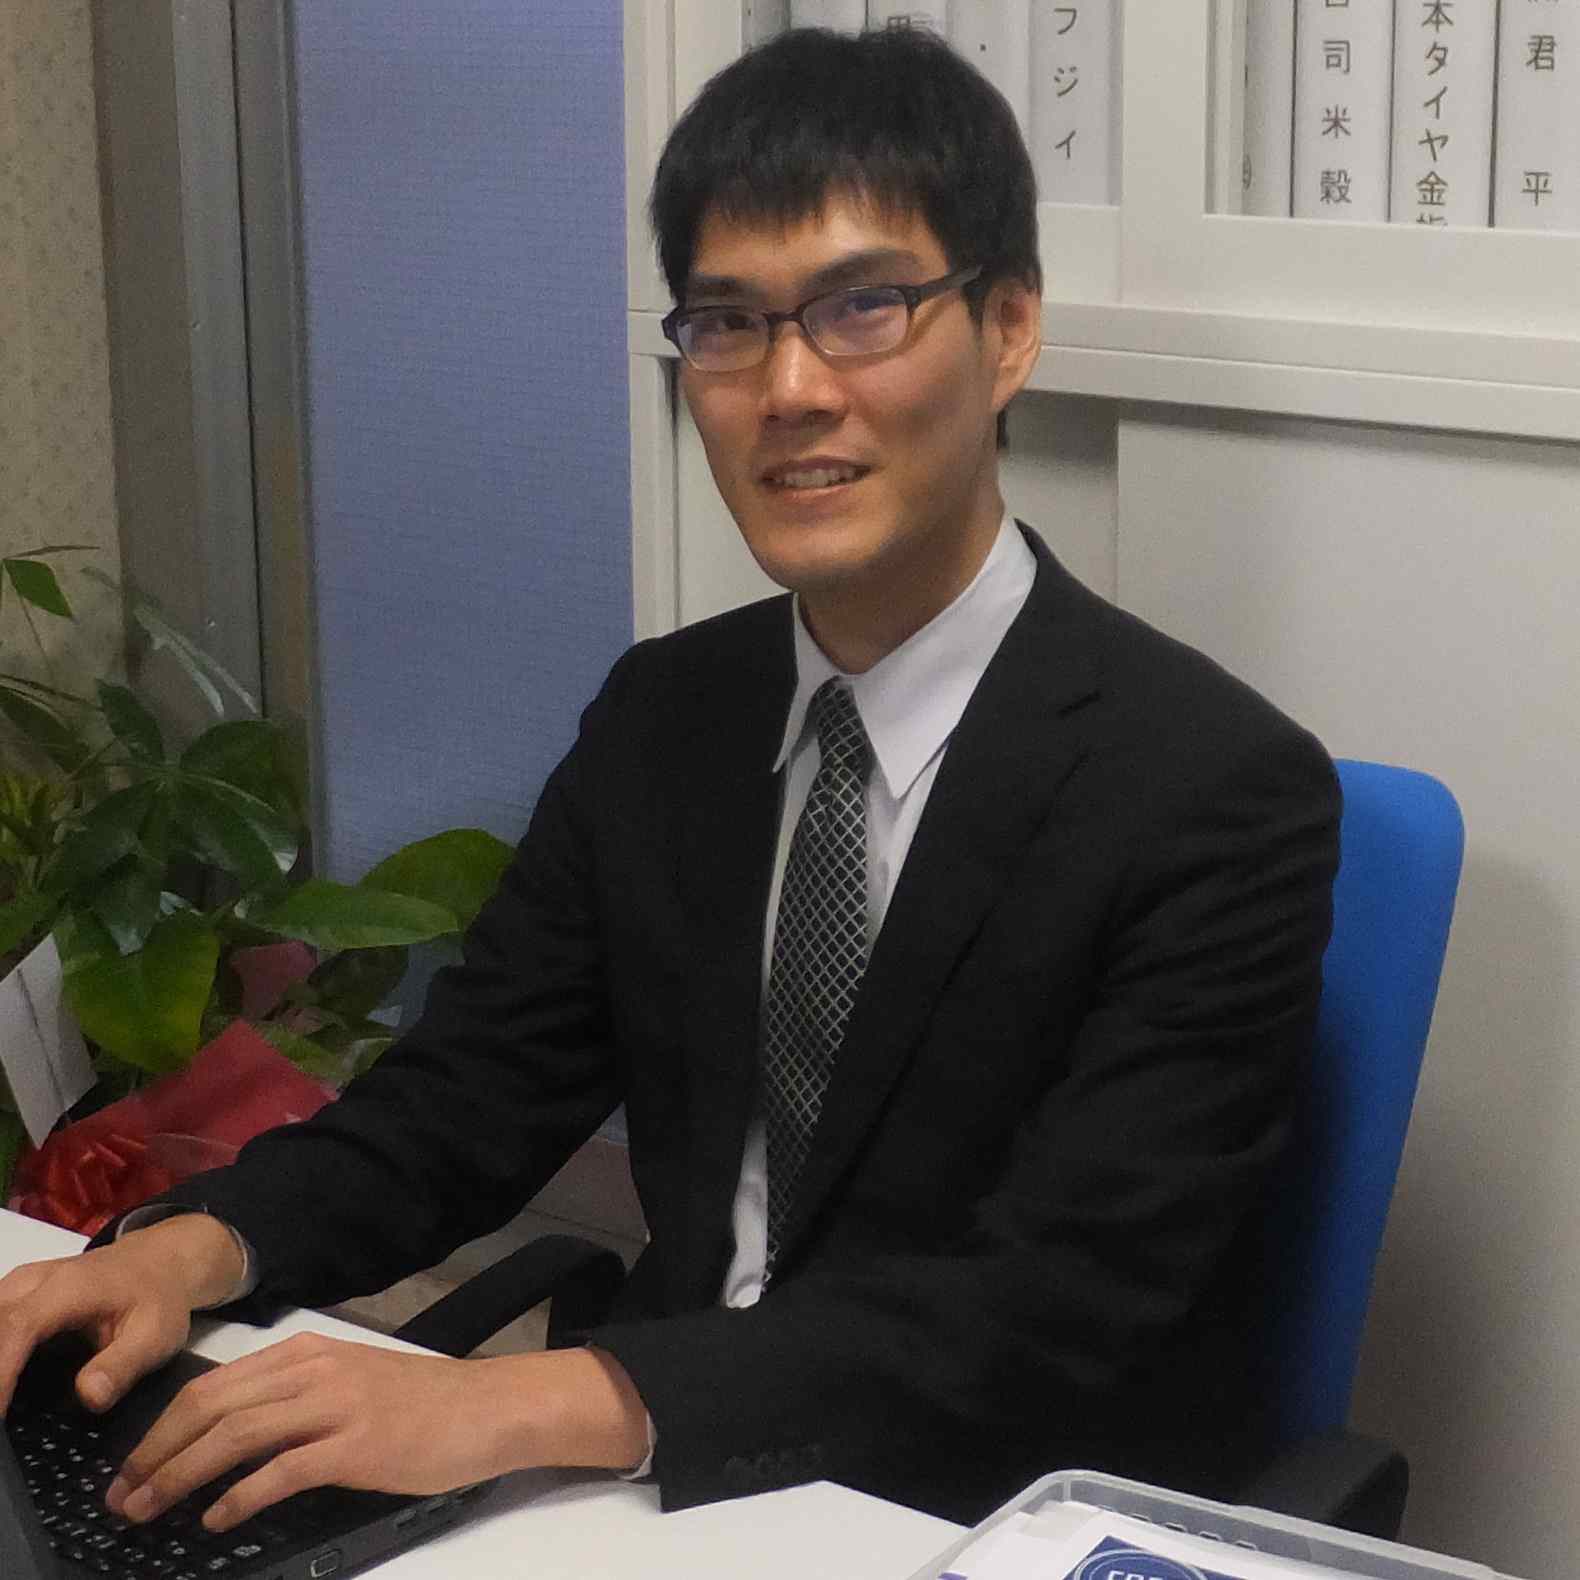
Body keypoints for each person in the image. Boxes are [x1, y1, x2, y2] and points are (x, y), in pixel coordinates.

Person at [0, 25, 1340, 1529]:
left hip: (966, 1512)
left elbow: (1052, 1303)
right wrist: (189, 1251)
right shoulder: (669, 717)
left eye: (864, 308)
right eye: (727, 324)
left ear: (1009, 327)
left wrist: (511, 1404)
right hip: (655, 1492)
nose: (790, 388)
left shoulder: (1213, 794)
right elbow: (470, 1097)